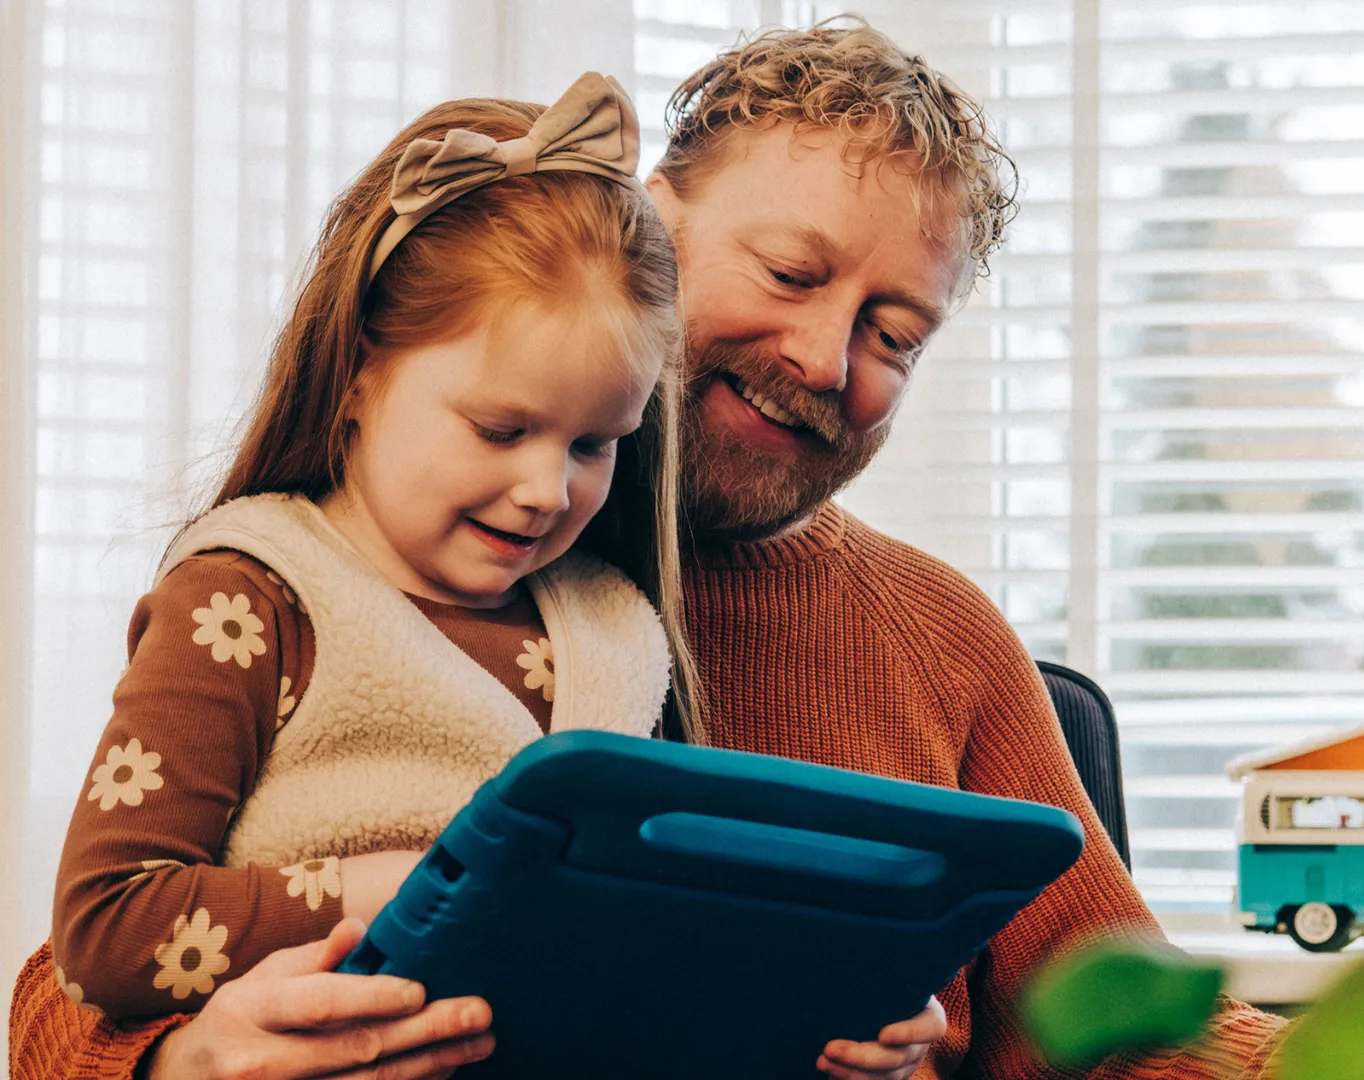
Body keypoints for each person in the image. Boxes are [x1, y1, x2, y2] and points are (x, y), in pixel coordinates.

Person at [11, 20, 1288, 1080]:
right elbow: (76, 978)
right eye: (791, 272)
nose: (823, 360)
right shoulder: (318, 587)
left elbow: (1146, 1032)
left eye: (896, 334)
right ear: (646, 223)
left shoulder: (915, 637)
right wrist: (177, 1064)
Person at [12, 71, 940, 1080]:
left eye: (595, 444)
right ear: (361, 369)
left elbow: (659, 946)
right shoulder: (251, 599)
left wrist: (834, 1009)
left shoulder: (621, 629)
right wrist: (391, 892)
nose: (546, 489)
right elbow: (103, 931)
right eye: (502, 429)